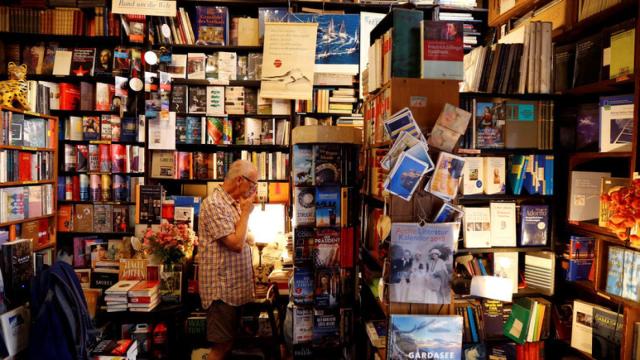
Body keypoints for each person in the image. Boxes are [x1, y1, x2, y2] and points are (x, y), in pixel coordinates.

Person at [197, 160, 258, 360]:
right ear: (240, 180)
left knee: (229, 343)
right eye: (253, 184)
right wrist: (247, 213)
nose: (254, 189)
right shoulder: (215, 204)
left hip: (234, 288)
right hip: (221, 290)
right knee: (220, 347)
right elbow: (235, 243)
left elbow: (245, 237)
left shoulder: (232, 204)